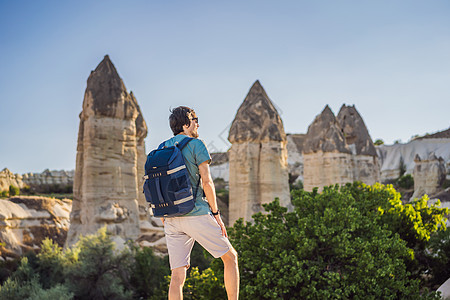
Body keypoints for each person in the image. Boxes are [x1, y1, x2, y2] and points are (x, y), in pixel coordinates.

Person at [162, 106, 239, 300]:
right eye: (195, 120)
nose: (198, 124)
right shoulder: (197, 145)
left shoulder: (162, 147)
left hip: (170, 217)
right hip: (196, 212)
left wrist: (164, 213)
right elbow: (207, 182)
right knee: (231, 258)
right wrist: (216, 214)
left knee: (177, 276)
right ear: (186, 124)